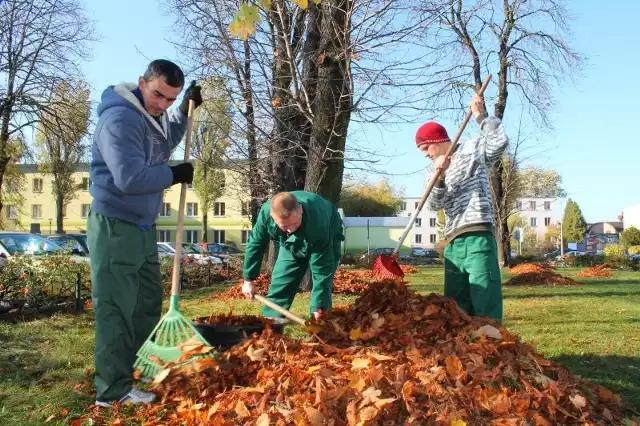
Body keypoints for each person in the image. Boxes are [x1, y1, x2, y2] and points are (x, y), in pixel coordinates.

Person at [87, 59, 202, 407]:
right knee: (116, 309)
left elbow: (168, 140)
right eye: (158, 95)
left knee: (146, 303)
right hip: (114, 225)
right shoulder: (120, 118)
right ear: (141, 82)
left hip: (141, 226)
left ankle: (140, 368)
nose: (162, 105)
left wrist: (184, 111)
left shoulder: (155, 116)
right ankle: (112, 390)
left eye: (171, 99)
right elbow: (130, 177)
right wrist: (174, 175)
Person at [417, 93, 509, 322]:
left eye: (426, 148)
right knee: (455, 306)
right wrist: (439, 177)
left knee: (484, 295)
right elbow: (434, 204)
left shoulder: (472, 149)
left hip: (477, 235)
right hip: (453, 242)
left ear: (438, 141)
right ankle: (464, 352)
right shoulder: (432, 172)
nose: (426, 155)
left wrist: (481, 117)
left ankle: (492, 346)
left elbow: (499, 142)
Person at [241, 191, 344, 320]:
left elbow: (322, 268)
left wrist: (318, 307)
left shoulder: (319, 221)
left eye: (294, 223)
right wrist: (248, 280)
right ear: (273, 218)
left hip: (328, 228)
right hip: (290, 242)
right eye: (284, 226)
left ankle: (320, 322)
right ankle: (271, 325)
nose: (291, 229)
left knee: (324, 278)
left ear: (300, 209)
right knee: (282, 279)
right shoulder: (266, 215)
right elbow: (255, 244)